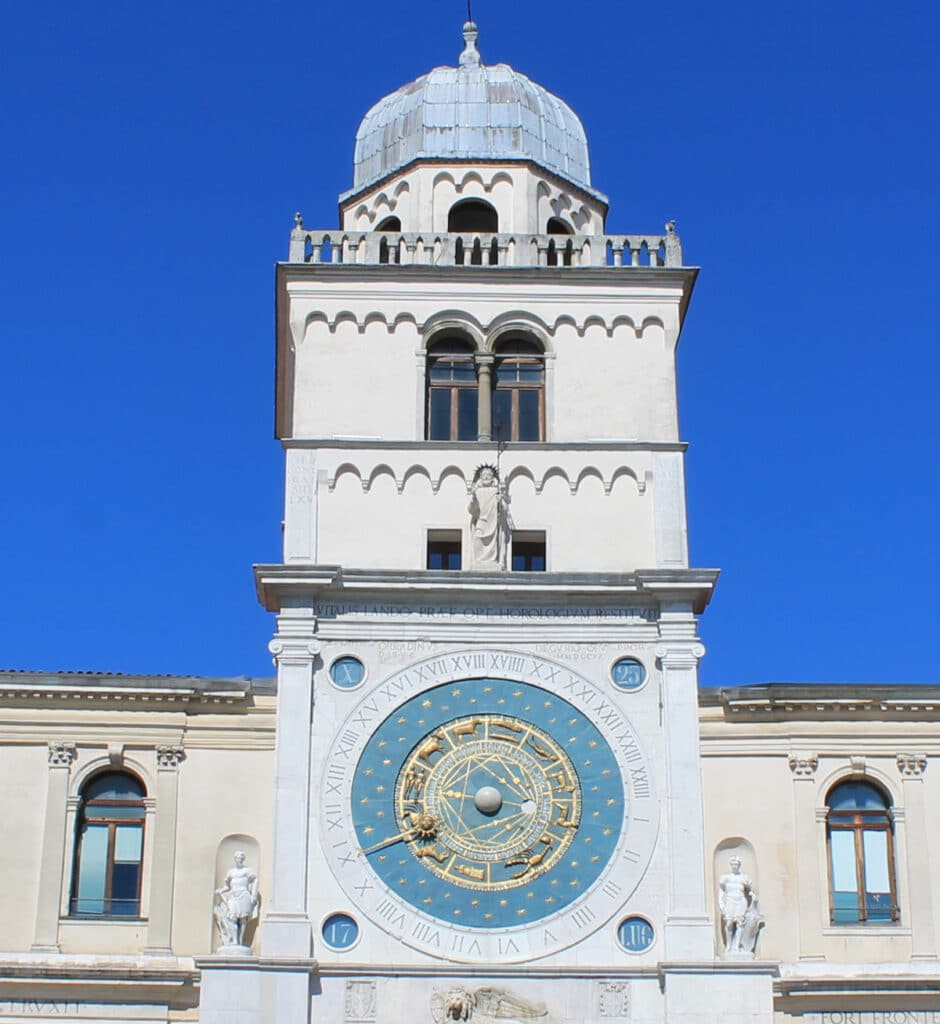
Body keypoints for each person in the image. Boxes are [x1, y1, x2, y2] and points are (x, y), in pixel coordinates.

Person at [214, 850, 259, 948]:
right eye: (238, 858)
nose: (240, 859)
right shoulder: (231, 872)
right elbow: (227, 886)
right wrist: (221, 890)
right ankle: (235, 940)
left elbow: (255, 880)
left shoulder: (247, 871)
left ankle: (240, 940)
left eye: (242, 858)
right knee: (232, 918)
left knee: (243, 919)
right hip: (233, 896)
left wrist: (254, 895)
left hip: (244, 895)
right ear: (235, 859)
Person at [468, 466, 505, 568]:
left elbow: (503, 509)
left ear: (493, 477)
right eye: (484, 475)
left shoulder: (496, 491)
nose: (486, 477)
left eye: (489, 475)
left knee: (492, 543)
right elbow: (471, 509)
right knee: (478, 538)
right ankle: (479, 561)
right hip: (481, 521)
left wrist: (500, 501)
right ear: (480, 477)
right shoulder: (477, 491)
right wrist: (474, 498)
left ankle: (491, 561)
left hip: (492, 522)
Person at [718, 855, 753, 954]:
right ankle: (729, 945)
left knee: (740, 924)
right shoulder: (725, 878)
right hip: (730, 900)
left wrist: (752, 894)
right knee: (729, 923)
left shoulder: (744, 878)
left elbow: (748, 890)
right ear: (731, 865)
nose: (734, 866)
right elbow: (721, 891)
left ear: (739, 865)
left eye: (736, 864)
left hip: (741, 901)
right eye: (733, 864)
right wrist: (721, 903)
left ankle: (736, 946)